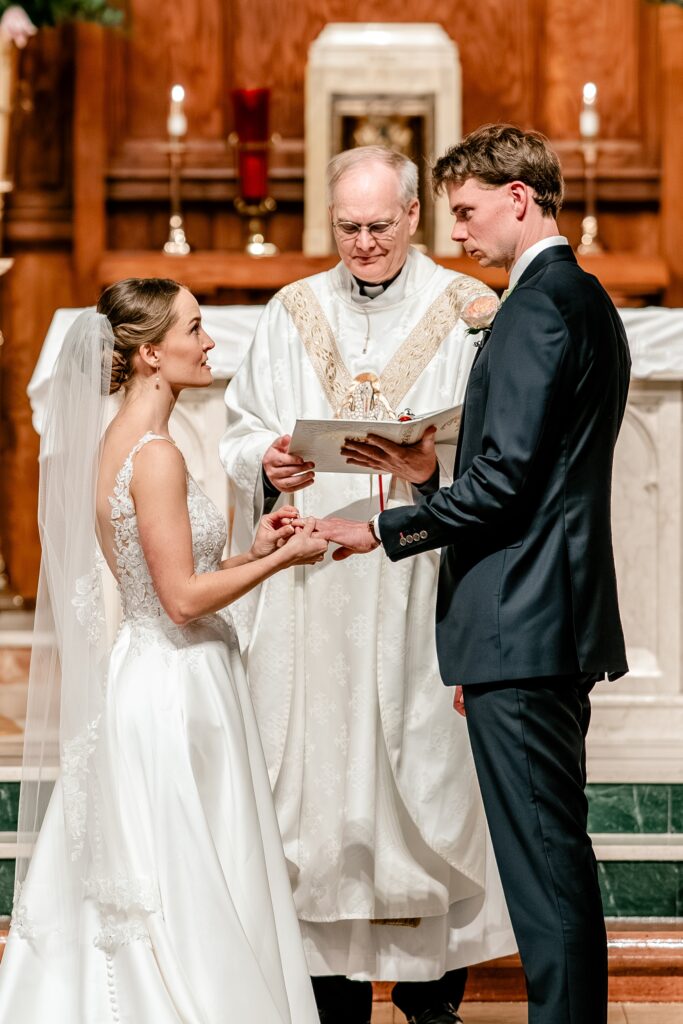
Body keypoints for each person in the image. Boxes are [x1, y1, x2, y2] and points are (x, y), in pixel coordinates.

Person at [318, 125, 631, 1024]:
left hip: (521, 619)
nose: (455, 232)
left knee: (541, 863)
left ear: (518, 198)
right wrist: (430, 476)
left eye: (464, 211)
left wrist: (380, 528)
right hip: (543, 610)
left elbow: (504, 484)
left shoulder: (536, 306)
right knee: (550, 853)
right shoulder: (580, 299)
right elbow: (538, 474)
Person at [220, 146, 516, 1024]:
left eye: (378, 226)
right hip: (312, 584)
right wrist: (266, 461)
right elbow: (240, 431)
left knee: (424, 776)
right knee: (310, 784)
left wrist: (431, 464)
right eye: (346, 227)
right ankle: (326, 995)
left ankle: (433, 998)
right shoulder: (291, 309)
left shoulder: (467, 312)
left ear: (414, 216)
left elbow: (500, 453)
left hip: (419, 579)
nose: (361, 243)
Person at [0, 278, 326, 1022]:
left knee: (176, 868)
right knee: (188, 875)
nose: (209, 342)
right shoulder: (156, 457)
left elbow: (167, 581)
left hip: (155, 670)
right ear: (150, 353)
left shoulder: (125, 442)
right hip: (177, 688)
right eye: (194, 328)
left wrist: (251, 550)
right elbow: (180, 601)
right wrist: (283, 561)